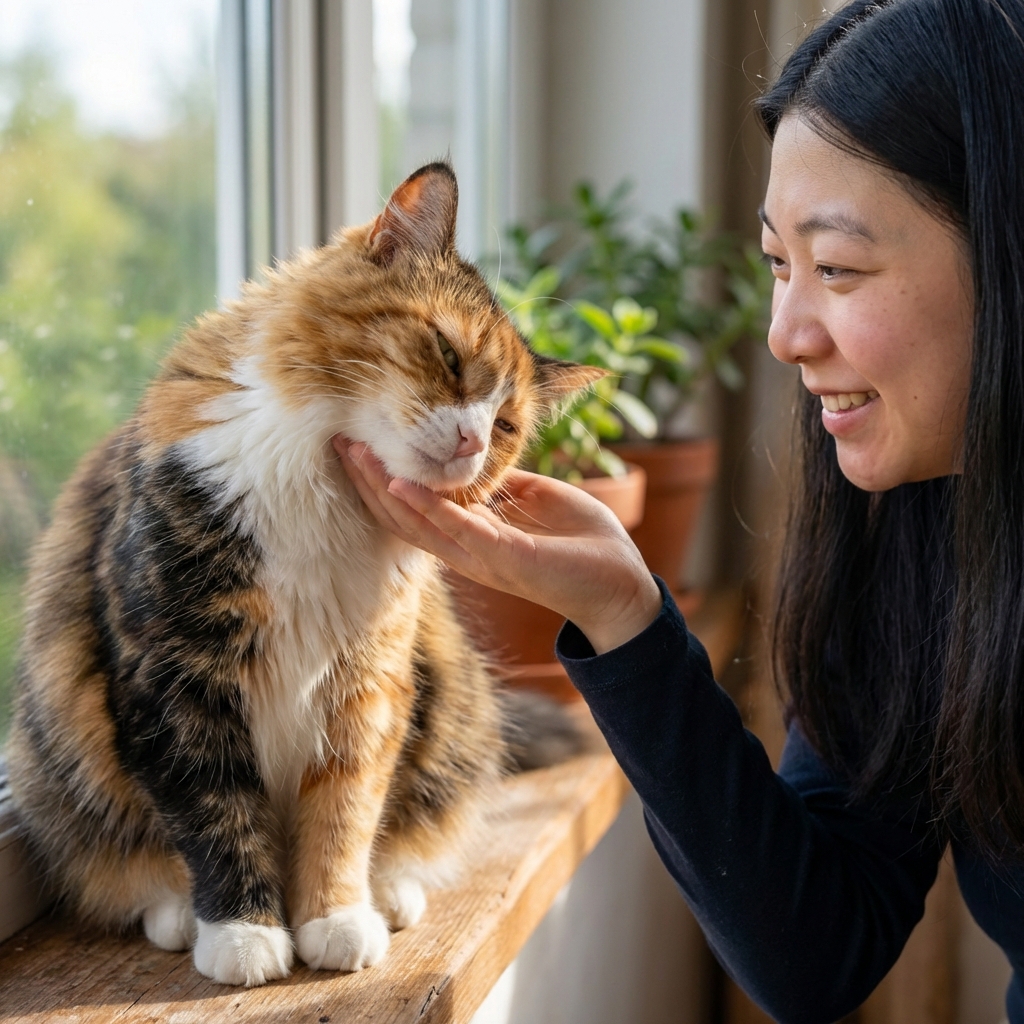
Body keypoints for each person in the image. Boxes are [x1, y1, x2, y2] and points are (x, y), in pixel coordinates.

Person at [337, 0, 1024, 1019]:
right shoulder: (922, 536)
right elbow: (814, 949)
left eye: (836, 267)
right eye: (777, 265)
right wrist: (628, 621)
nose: (786, 334)